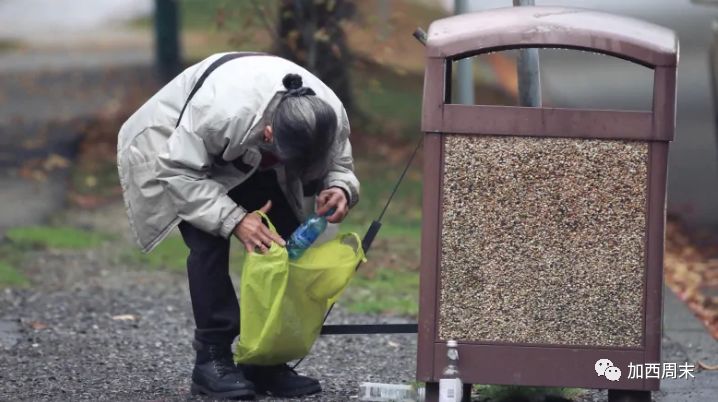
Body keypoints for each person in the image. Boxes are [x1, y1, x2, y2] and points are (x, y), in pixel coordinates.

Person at [116, 52, 359, 400]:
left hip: (247, 154)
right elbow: (179, 171)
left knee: (287, 240)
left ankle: (264, 361)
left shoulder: (328, 112)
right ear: (270, 132)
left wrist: (339, 186)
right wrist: (234, 220)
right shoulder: (221, 114)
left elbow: (339, 160)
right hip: (178, 154)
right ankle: (211, 361)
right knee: (207, 244)